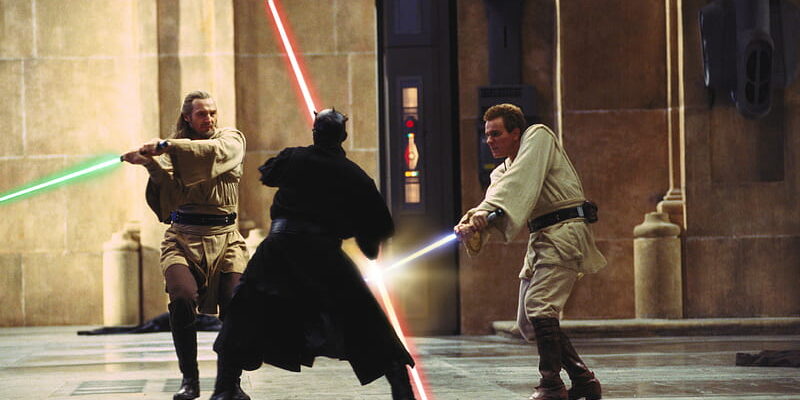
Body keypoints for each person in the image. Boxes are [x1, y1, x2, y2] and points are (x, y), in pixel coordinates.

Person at [211, 108, 417, 400]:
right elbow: (375, 232)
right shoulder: (355, 176)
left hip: (278, 251)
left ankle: (224, 387)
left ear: (314, 132)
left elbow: (268, 175)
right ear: (343, 135)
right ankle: (402, 390)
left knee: (243, 312)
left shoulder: (292, 158)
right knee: (366, 319)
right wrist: (366, 244)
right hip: (323, 254)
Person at [454, 104, 606, 400]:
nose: (489, 141)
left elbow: (517, 183)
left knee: (539, 305)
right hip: (540, 240)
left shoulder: (538, 137)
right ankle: (583, 380)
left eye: (496, 134)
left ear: (516, 133)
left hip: (565, 233)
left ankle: (551, 385)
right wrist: (471, 224)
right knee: (527, 322)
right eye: (487, 135)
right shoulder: (501, 172)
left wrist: (485, 211)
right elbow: (496, 200)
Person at [122, 91, 249, 400]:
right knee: (181, 298)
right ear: (188, 118)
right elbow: (170, 192)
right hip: (182, 238)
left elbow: (211, 153)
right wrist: (149, 163)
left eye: (212, 112)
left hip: (226, 239)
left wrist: (167, 146)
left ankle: (230, 383)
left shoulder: (231, 139)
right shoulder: (173, 152)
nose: (209, 119)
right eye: (202, 114)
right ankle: (189, 379)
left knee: (236, 305)